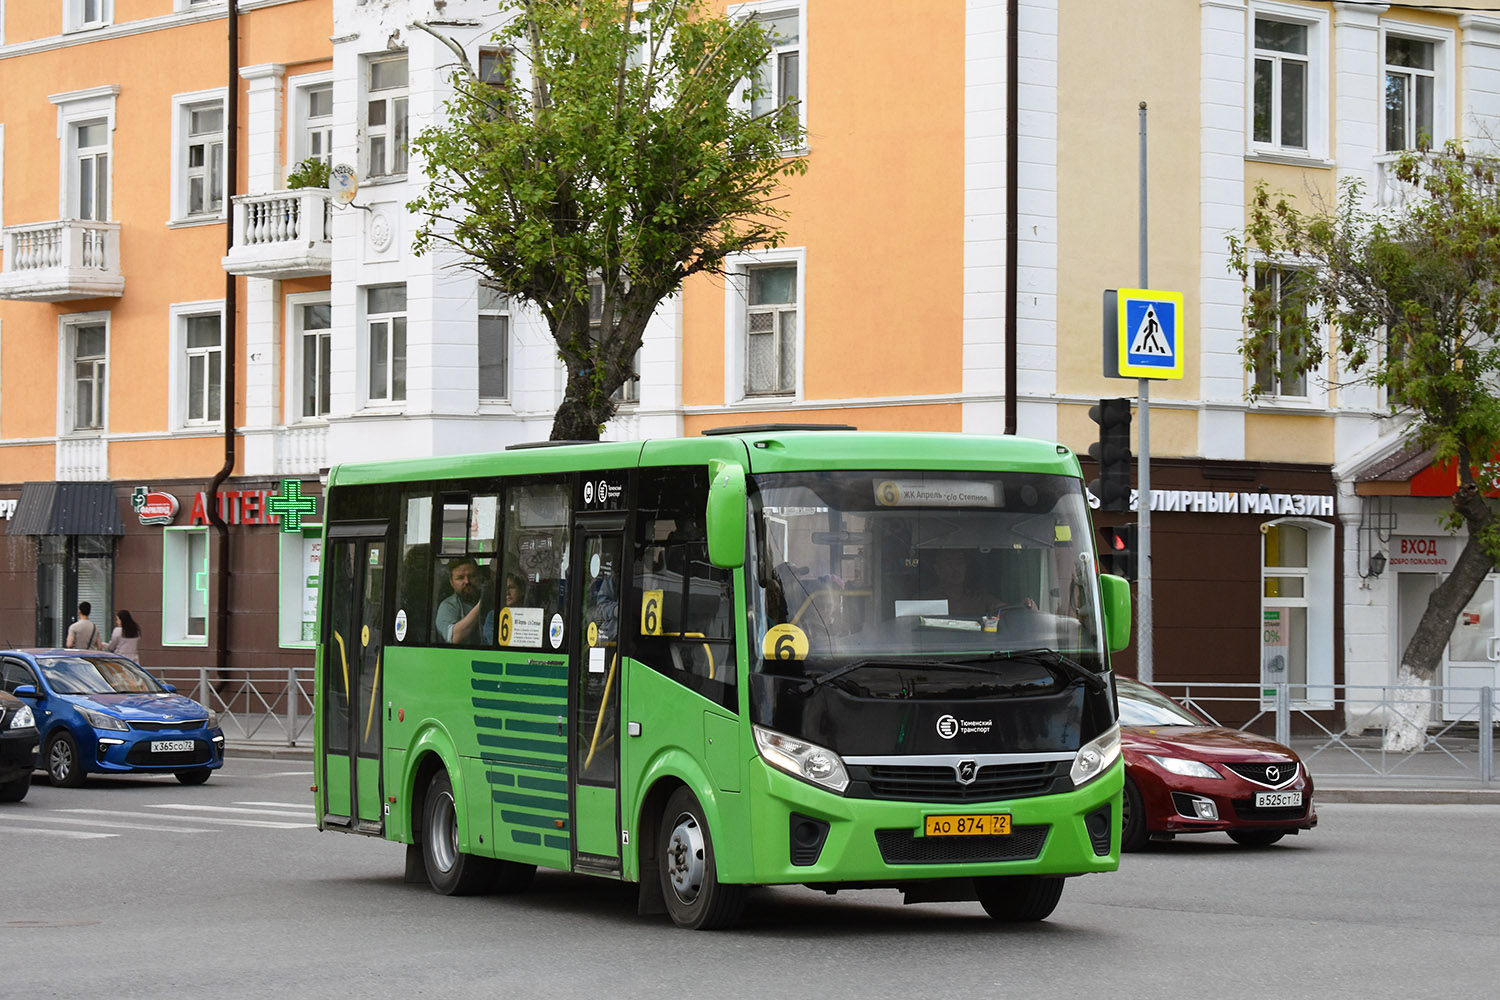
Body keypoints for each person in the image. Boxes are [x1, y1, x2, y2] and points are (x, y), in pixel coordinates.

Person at [435, 557, 486, 645]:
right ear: (451, 582)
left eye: (472, 576)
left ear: (479, 577)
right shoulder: (448, 606)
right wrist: (482, 602)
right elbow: (455, 637)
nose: (467, 581)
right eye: (460, 578)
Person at [482, 572, 525, 645]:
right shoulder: (493, 615)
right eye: (504, 589)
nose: (507, 593)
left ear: (521, 590)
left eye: (511, 587)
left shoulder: (529, 613)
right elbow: (493, 642)